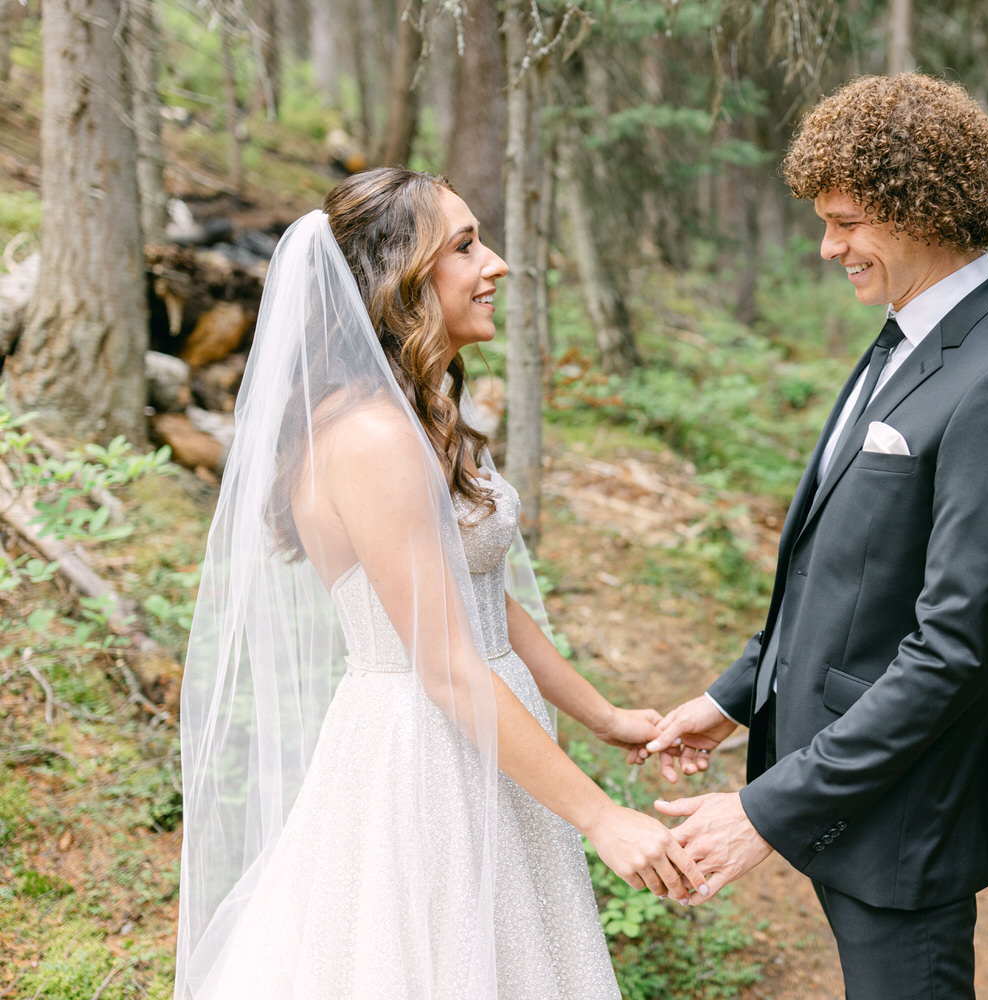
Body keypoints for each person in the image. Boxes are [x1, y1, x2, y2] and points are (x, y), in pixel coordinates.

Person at [173, 167, 705, 1000]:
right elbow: (448, 662)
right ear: (398, 281)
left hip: (492, 730)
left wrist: (601, 716)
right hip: (430, 750)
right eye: (463, 246)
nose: (494, 264)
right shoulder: (372, 438)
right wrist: (603, 816)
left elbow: (486, 601)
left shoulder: (426, 416)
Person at [647, 73, 988, 999]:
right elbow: (841, 577)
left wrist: (765, 811)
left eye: (844, 222)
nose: (826, 245)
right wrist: (736, 698)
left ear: (920, 209)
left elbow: (953, 653)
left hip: (903, 822)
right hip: (847, 795)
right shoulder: (908, 336)